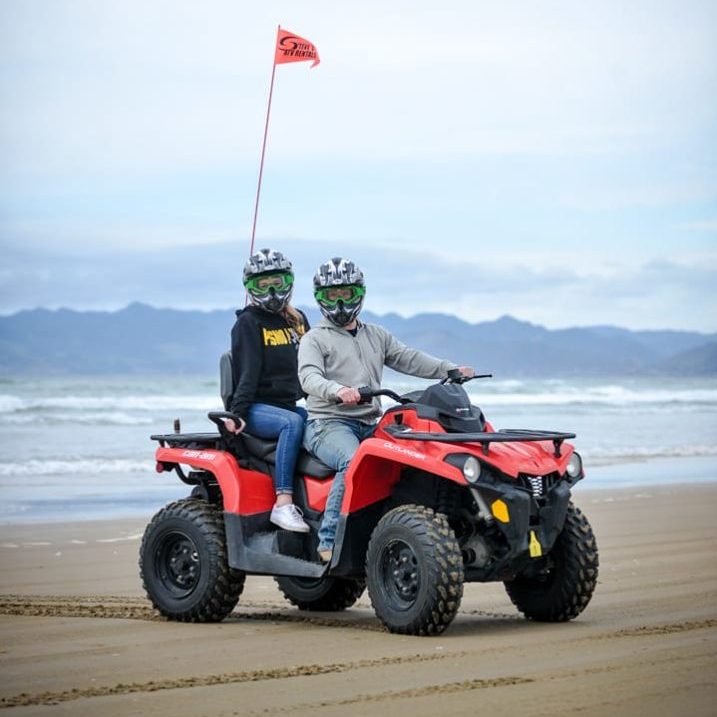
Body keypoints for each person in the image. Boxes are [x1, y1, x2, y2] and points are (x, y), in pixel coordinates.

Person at [298, 257, 474, 561]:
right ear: (320, 298)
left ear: (360, 294)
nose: (340, 302)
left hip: (370, 422)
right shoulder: (314, 338)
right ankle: (329, 541)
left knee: (415, 456)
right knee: (353, 461)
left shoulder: (375, 335)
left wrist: (450, 369)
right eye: (331, 295)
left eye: (347, 294)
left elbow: (408, 358)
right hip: (328, 424)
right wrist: (338, 390)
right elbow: (309, 377)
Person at [224, 248, 311, 533]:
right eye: (263, 284)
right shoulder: (248, 323)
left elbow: (311, 370)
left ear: (289, 282)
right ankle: (283, 503)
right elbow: (246, 374)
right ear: (250, 288)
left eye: (278, 281)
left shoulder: (298, 321)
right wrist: (236, 415)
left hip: (288, 404)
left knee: (322, 425)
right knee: (292, 422)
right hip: (256, 407)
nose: (272, 289)